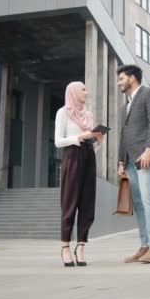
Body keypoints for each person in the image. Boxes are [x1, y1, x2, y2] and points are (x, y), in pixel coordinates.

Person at [117, 64, 150, 264]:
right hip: (129, 159)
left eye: (121, 78)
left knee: (149, 200)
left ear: (132, 78)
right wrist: (121, 159)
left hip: (145, 155)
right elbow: (124, 133)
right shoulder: (125, 105)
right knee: (138, 204)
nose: (119, 82)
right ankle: (145, 245)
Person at [54, 81, 103, 267]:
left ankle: (81, 246)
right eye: (83, 89)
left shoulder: (89, 115)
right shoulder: (63, 113)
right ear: (73, 92)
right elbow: (58, 142)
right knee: (69, 203)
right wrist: (80, 137)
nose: (86, 92)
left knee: (87, 205)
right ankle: (65, 247)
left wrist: (99, 140)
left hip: (89, 157)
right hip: (71, 158)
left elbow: (93, 147)